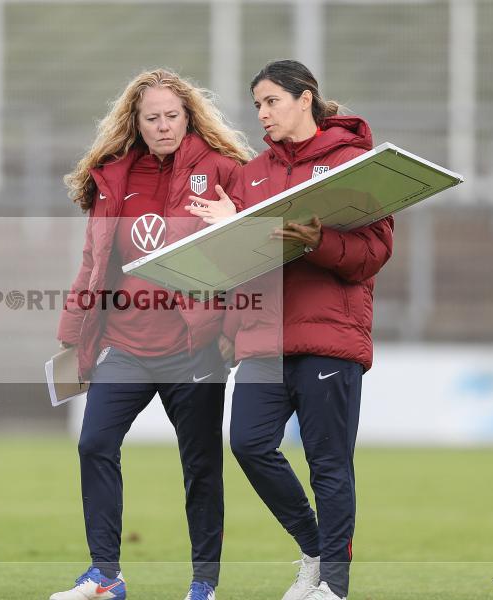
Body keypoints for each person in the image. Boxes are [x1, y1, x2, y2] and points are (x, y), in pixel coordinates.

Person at [188, 60, 393, 600]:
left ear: (306, 99)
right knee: (249, 443)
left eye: (271, 101)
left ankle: (333, 587)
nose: (262, 114)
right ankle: (315, 549)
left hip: (329, 338)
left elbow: (373, 254)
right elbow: (245, 260)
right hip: (262, 339)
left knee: (329, 463)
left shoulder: (353, 163)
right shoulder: (253, 174)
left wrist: (314, 241)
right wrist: (232, 230)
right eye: (257, 104)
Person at [51, 68, 252, 600]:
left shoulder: (224, 170)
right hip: (126, 348)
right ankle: (105, 577)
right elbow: (94, 261)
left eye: (172, 116)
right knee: (94, 443)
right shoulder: (113, 176)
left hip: (194, 350)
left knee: (201, 468)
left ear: (188, 117)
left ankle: (203, 585)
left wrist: (231, 329)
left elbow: (249, 258)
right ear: (135, 124)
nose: (163, 126)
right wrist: (74, 335)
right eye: (152, 118)